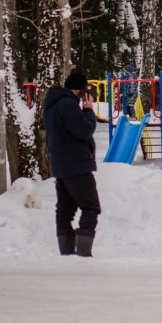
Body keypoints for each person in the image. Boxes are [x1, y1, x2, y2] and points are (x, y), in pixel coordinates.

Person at [43, 69, 101, 257]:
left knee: (65, 211)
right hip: (76, 164)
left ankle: (67, 254)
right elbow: (84, 130)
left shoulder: (53, 103)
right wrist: (88, 109)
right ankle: (83, 254)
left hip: (61, 165)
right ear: (80, 90)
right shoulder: (67, 105)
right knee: (91, 207)